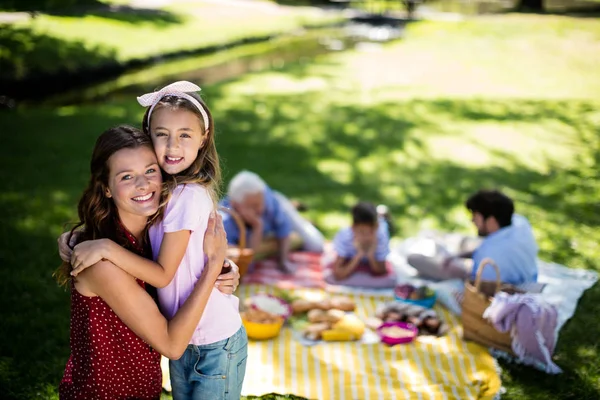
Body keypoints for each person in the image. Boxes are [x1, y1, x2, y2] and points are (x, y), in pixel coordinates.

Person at [67, 81, 247, 399]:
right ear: (106, 187)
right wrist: (77, 242)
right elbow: (174, 267)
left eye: (150, 170)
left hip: (205, 344)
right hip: (144, 369)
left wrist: (220, 265)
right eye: (126, 176)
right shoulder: (158, 204)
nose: (143, 183)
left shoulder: (176, 201)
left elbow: (171, 266)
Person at [408, 189, 539, 285]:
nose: (472, 221)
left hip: (492, 285)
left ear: (491, 220)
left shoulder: (488, 257)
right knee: (461, 243)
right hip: (521, 274)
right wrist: (458, 255)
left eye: (475, 216)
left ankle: (439, 248)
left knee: (414, 258)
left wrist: (458, 268)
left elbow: (479, 290)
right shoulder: (520, 223)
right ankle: (441, 246)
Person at [220, 170, 325, 273]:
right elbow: (246, 263)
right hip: (266, 233)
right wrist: (258, 227)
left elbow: (283, 229)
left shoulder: (268, 200)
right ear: (234, 204)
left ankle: (298, 215)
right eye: (253, 206)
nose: (260, 209)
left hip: (280, 204)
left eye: (261, 203)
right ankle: (296, 210)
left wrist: (284, 261)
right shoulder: (224, 221)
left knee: (316, 245)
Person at [327, 201, 396, 287]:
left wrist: (371, 254)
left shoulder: (381, 236)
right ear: (353, 228)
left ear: (376, 227)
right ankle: (381, 213)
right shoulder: (344, 236)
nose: (366, 237)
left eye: (371, 232)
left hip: (381, 228)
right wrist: (358, 255)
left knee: (390, 281)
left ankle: (382, 216)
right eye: (362, 232)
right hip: (351, 257)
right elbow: (338, 275)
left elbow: (381, 272)